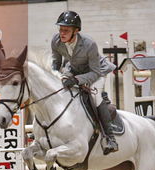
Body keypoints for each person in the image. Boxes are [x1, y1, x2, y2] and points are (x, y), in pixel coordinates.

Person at [51, 10, 118, 155]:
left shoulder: (89, 44)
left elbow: (95, 72)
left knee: (96, 97)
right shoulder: (56, 41)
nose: (62, 33)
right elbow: (56, 64)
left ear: (76, 31)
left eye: (66, 30)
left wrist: (76, 80)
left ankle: (110, 138)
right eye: (61, 29)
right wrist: (57, 76)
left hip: (97, 72)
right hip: (75, 70)